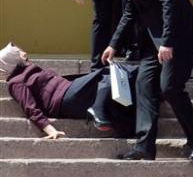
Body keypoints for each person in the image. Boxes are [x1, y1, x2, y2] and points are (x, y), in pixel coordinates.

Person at [100, 0, 193, 161]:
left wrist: (167, 41)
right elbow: (131, 11)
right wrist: (113, 44)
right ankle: (144, 147)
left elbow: (171, 2)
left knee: (170, 88)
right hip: (154, 42)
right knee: (144, 85)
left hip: (176, 38)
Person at [1, 42, 135, 139]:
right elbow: (30, 108)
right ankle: (97, 110)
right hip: (64, 99)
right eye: (18, 52)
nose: (24, 52)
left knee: (116, 84)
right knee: (107, 75)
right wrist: (50, 130)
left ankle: (128, 127)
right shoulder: (16, 82)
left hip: (69, 92)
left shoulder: (29, 71)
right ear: (12, 59)